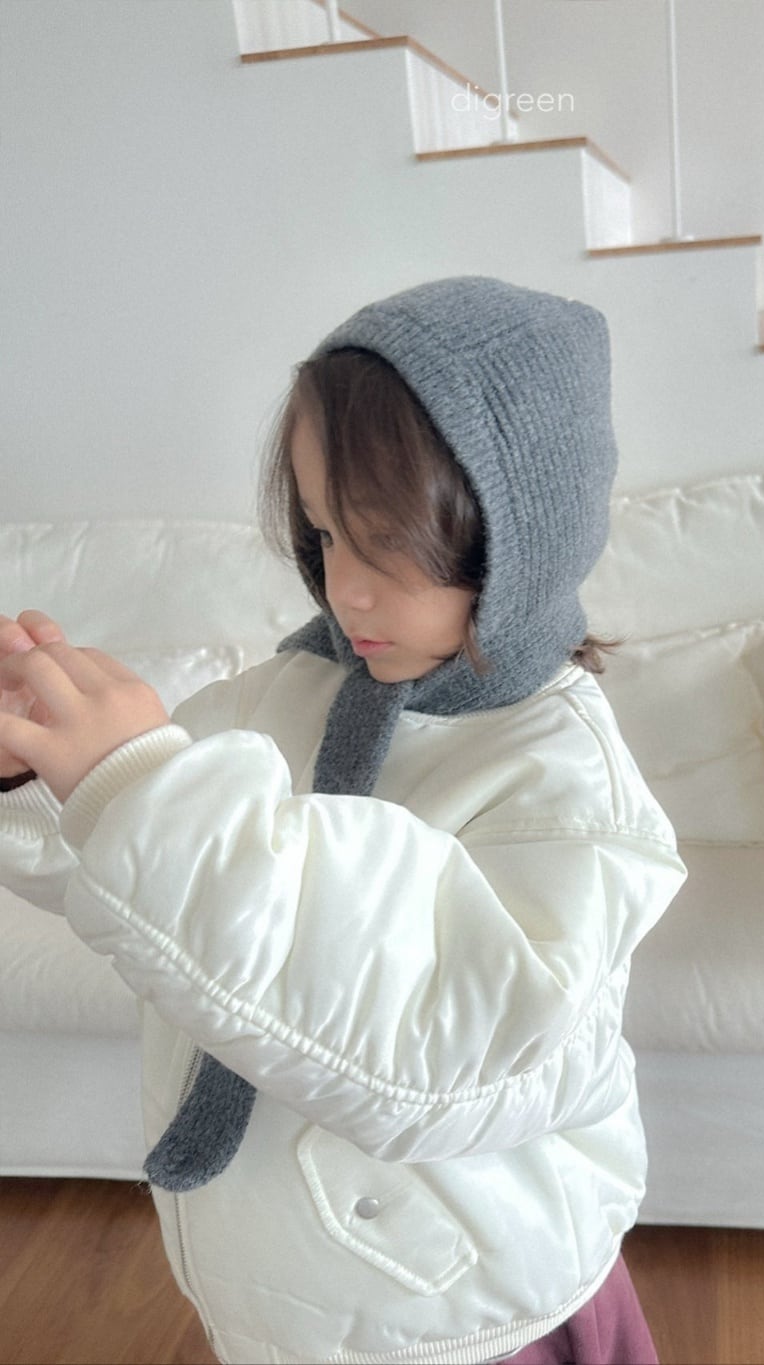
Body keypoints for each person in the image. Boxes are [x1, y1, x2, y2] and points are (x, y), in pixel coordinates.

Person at [0, 277, 686, 1365]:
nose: (343, 589)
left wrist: (142, 794)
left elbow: (442, 1049)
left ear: (517, 540)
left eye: (384, 543)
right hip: (295, 1300)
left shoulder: (566, 786)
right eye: (322, 534)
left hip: (462, 1313)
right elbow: (146, 889)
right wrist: (44, 774)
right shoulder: (287, 692)